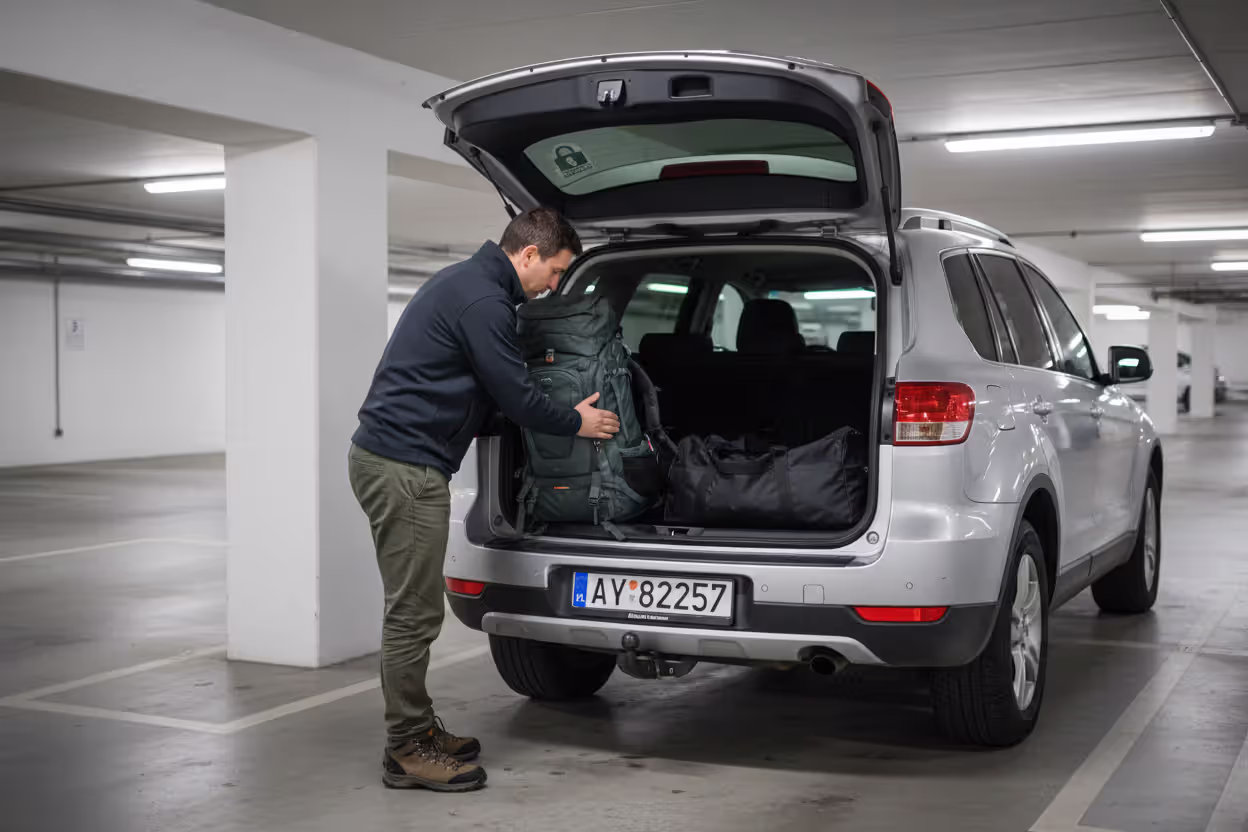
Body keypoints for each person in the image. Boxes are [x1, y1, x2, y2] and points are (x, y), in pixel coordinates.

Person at [348, 208, 620, 793]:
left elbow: (484, 391)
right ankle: (407, 747)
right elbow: (518, 395)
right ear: (527, 254)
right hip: (404, 468)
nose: (552, 285)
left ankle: (418, 728)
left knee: (412, 610)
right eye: (552, 272)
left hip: (400, 459)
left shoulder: (467, 284)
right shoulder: (484, 301)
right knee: (413, 614)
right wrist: (576, 421)